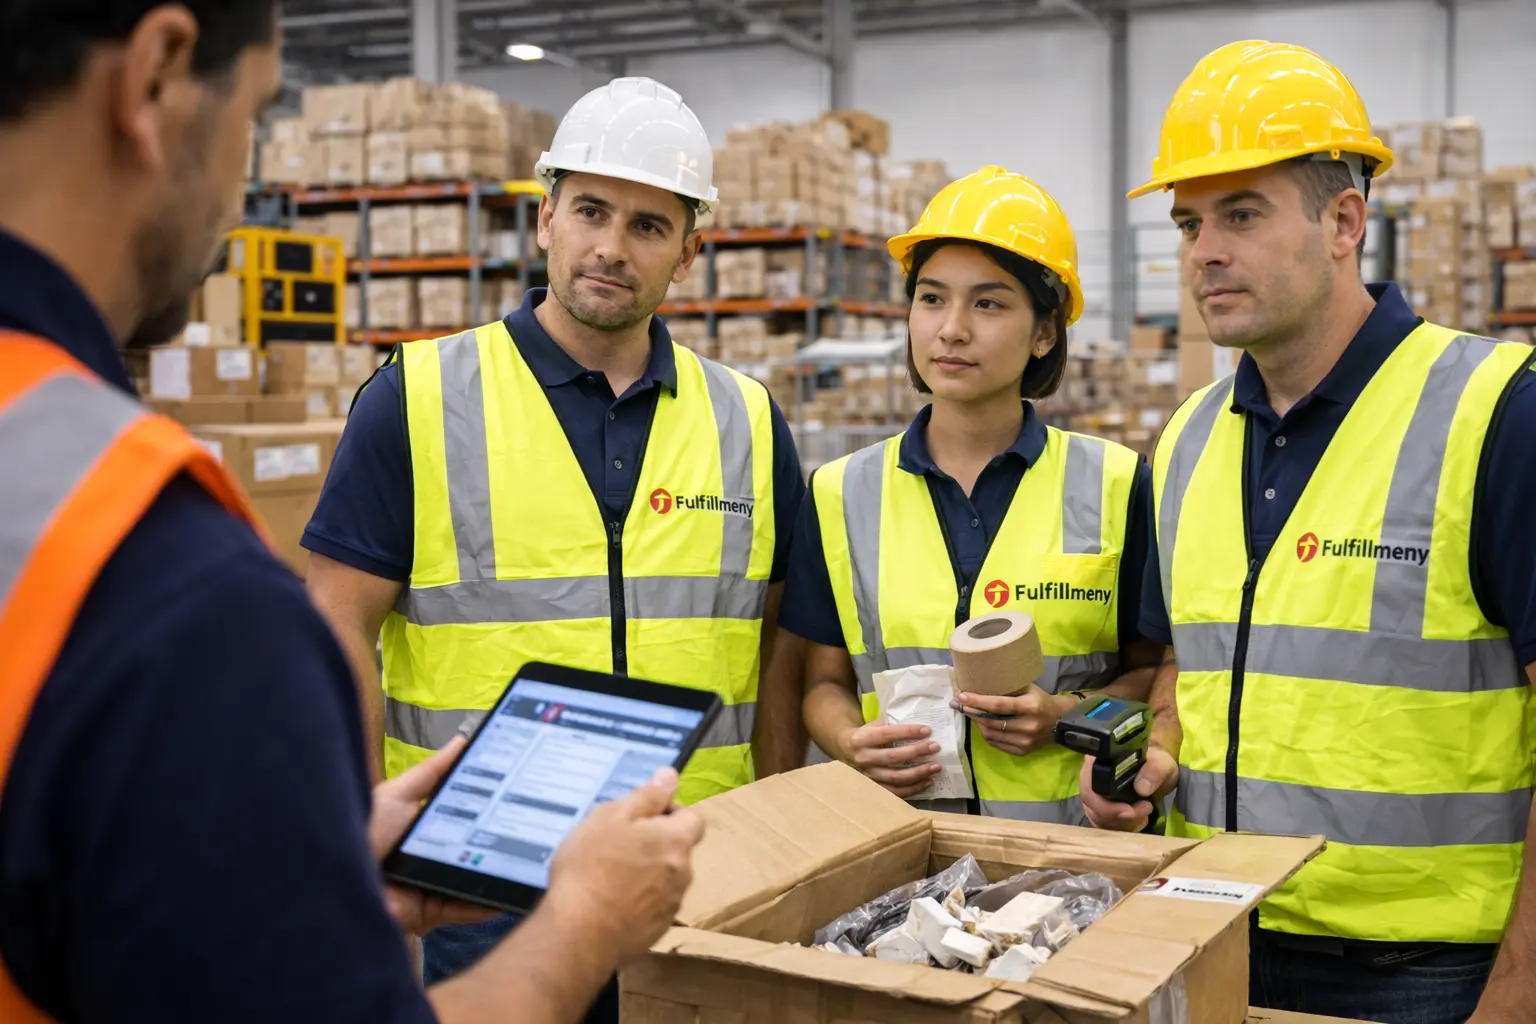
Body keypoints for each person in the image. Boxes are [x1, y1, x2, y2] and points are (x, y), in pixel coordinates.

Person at [0, 4, 706, 1023]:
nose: (241, 181)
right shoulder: (169, 591)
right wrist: (587, 918)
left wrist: (306, 856)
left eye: (648, 222)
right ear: (155, 78)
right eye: (254, 111)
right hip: (515, 915)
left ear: (687, 248)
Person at [300, 76, 808, 998]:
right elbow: (334, 625)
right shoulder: (416, 400)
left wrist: (767, 831)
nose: (611, 248)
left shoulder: (747, 419)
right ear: (545, 219)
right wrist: (353, 826)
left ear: (690, 254)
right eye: (591, 211)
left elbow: (777, 647)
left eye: (649, 226)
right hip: (485, 876)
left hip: (693, 865)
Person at [1080, 40, 1536, 1024]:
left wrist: (1519, 990)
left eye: (1240, 215)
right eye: (1189, 221)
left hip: (1432, 976)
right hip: (1214, 937)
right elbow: (1182, 668)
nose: (1202, 249)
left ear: (1344, 222)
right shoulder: (1188, 445)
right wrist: (1154, 755)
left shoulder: (1494, 415)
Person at [782, 166, 1163, 821]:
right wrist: (849, 742)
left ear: (1045, 332)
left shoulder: (1117, 485)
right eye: (931, 299)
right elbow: (823, 681)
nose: (951, 329)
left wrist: (1063, 717)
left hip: (1065, 859)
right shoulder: (839, 493)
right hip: (901, 854)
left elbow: (1155, 675)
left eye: (988, 303)